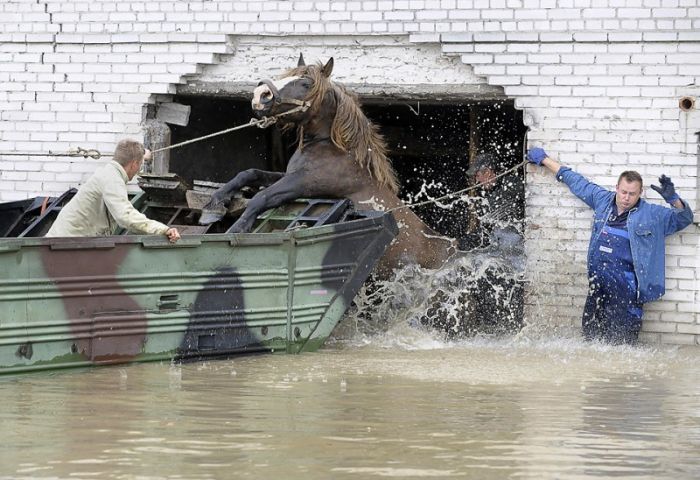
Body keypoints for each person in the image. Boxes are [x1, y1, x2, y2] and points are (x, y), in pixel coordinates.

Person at [527, 147, 693, 344]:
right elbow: (577, 182)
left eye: (632, 194)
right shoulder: (602, 200)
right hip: (598, 287)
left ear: (640, 193)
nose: (626, 198)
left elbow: (684, 219)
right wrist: (545, 160)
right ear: (617, 188)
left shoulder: (652, 214)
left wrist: (674, 201)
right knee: (591, 342)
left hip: (627, 292)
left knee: (622, 346)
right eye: (623, 192)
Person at [46, 139, 181, 242]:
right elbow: (125, 216)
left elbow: (129, 150)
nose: (138, 170)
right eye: (139, 165)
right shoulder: (113, 180)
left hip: (64, 242)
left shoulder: (109, 172)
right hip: (65, 246)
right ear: (134, 164)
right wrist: (163, 229)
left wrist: (142, 155)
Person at [459, 152, 526, 335]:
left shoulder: (514, 185)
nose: (477, 179)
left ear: (488, 172)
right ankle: (490, 322)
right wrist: (461, 243)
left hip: (518, 253)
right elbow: (486, 232)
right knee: (475, 268)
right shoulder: (488, 197)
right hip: (500, 250)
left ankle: (513, 325)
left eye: (478, 175)